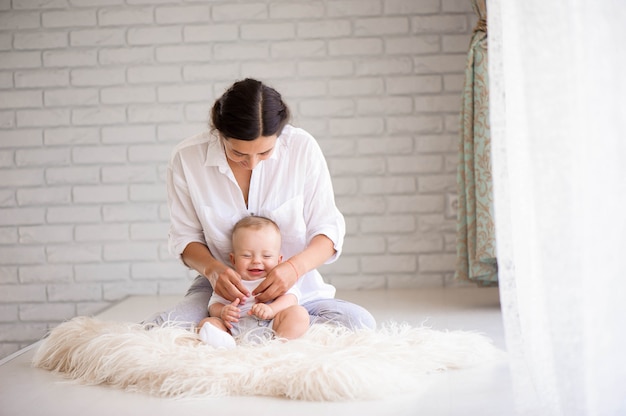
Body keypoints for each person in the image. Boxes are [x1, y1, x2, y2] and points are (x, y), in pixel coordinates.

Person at [150, 77, 375, 332]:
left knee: (358, 323)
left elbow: (328, 230)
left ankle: (257, 330)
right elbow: (185, 237)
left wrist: (292, 269)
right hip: (223, 291)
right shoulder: (187, 157)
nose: (253, 163)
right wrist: (213, 270)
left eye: (265, 153)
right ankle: (245, 329)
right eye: (238, 153)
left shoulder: (302, 149)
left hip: (293, 288)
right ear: (220, 133)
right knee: (161, 330)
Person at [197, 215, 310, 349]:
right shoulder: (231, 281)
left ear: (279, 260)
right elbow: (213, 304)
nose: (256, 261)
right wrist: (222, 311)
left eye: (266, 256)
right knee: (207, 323)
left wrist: (271, 309)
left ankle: (280, 345)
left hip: (271, 326)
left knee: (299, 313)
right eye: (247, 255)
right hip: (234, 328)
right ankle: (225, 344)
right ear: (233, 260)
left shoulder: (277, 279)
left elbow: (291, 299)